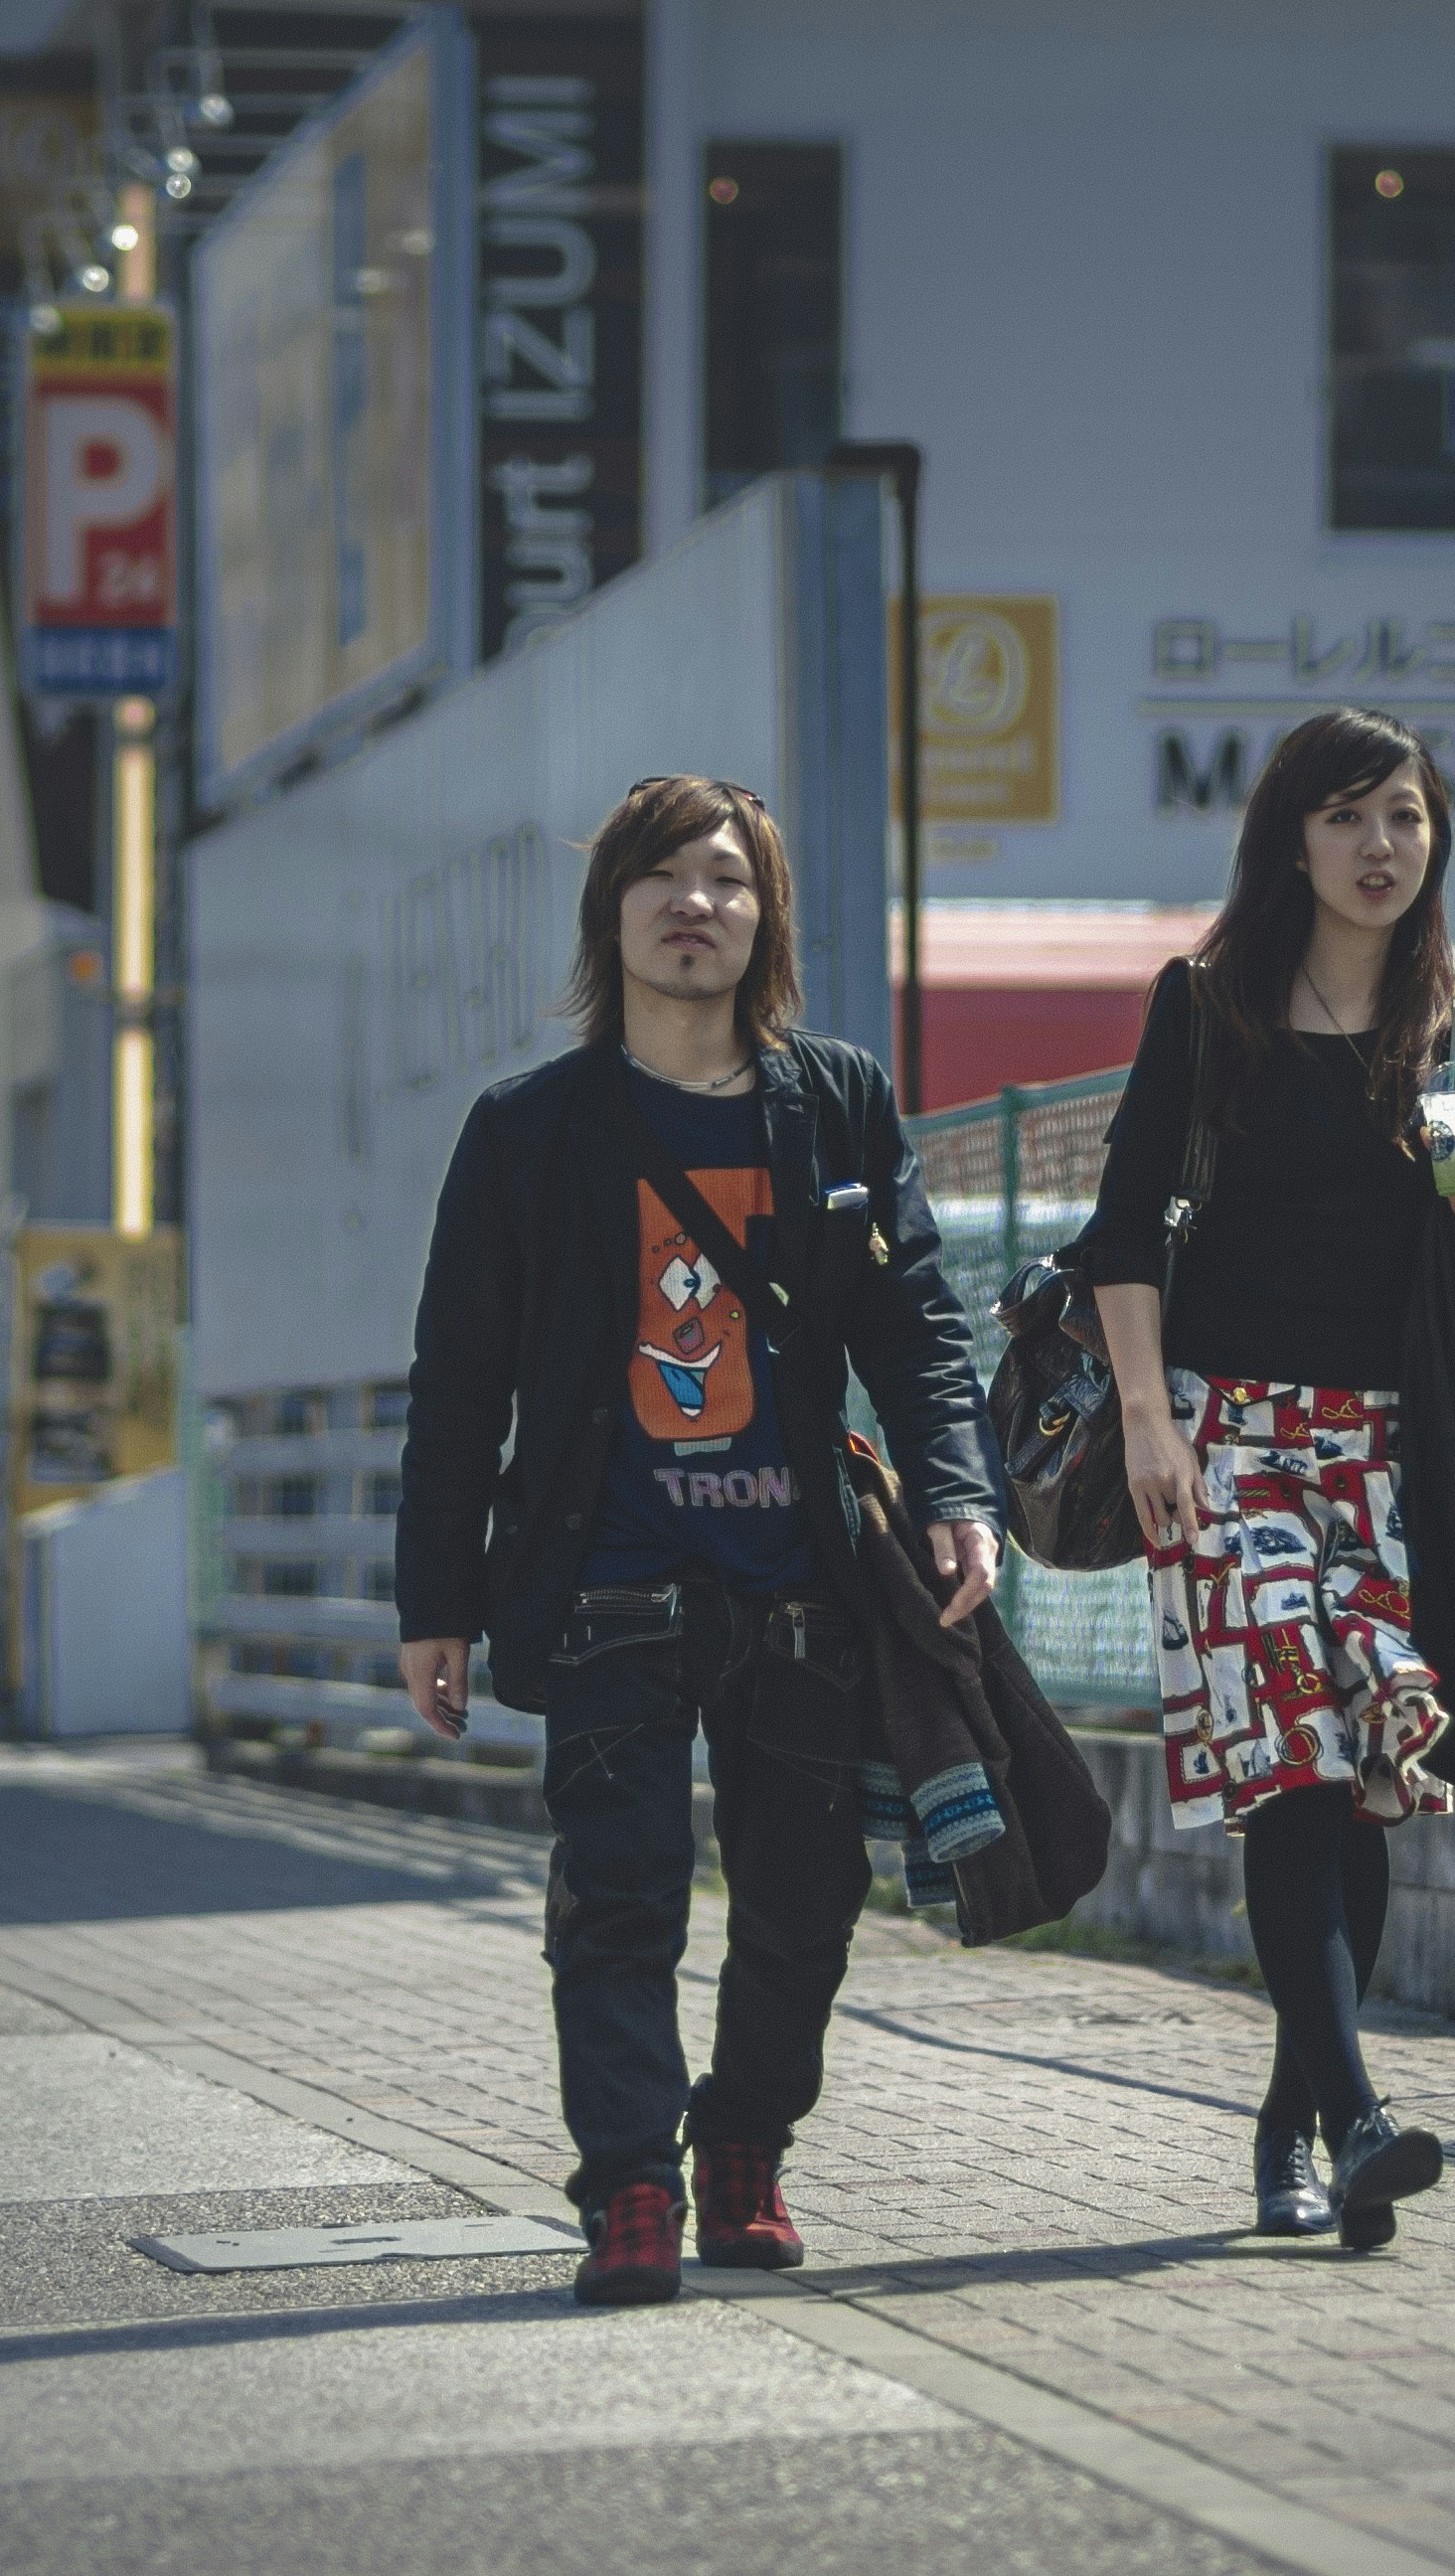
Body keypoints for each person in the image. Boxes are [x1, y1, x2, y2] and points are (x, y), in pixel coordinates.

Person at [396, 774, 1001, 2307]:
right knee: (622, 1894)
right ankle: (629, 2192)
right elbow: (459, 1380)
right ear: (613, 915)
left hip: (796, 1586)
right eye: (662, 876)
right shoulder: (530, 1131)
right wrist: (435, 1600)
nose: (695, 903)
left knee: (806, 1904)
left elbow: (915, 1319)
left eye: (727, 879)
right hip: (607, 1587)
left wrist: (957, 1488)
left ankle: (744, 2148)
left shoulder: (837, 1102)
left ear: (765, 916)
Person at [1076, 706, 1455, 2252]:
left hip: (1388, 1441)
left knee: (1373, 1781)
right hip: (1227, 1432)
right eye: (1347, 817)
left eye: (1406, 818)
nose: (1380, 847)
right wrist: (1145, 1421)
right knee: (1293, 1774)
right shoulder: (1210, 1005)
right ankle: (1364, 2116)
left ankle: (1294, 2128)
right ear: (1290, 839)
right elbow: (1125, 1231)